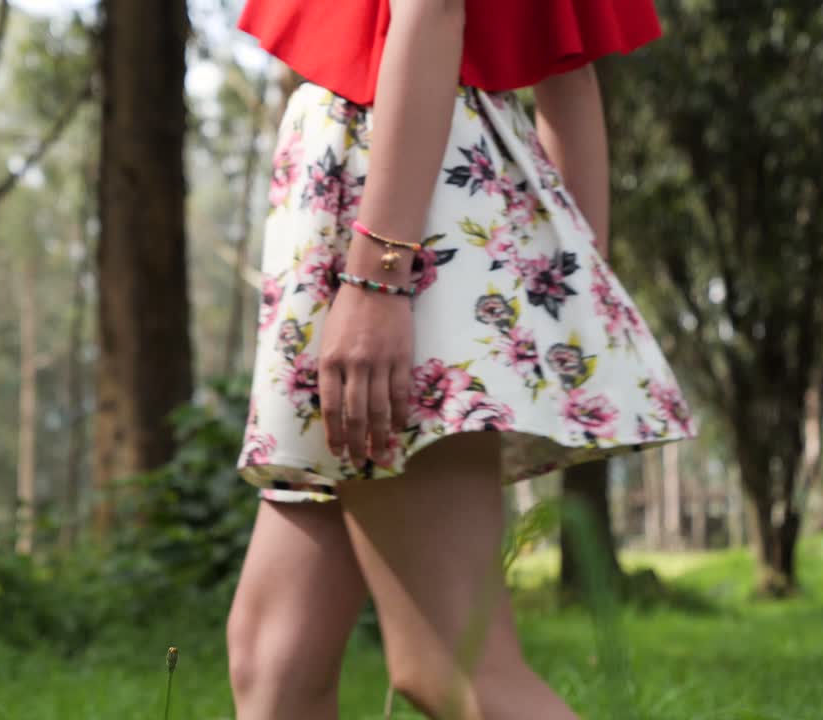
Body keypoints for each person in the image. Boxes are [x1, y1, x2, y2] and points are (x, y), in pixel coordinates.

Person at [227, 1, 695, 717]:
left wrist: (378, 277)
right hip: (398, 220)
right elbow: (568, 71)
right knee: (275, 661)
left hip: (401, 224)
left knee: (457, 672)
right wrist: (566, 301)